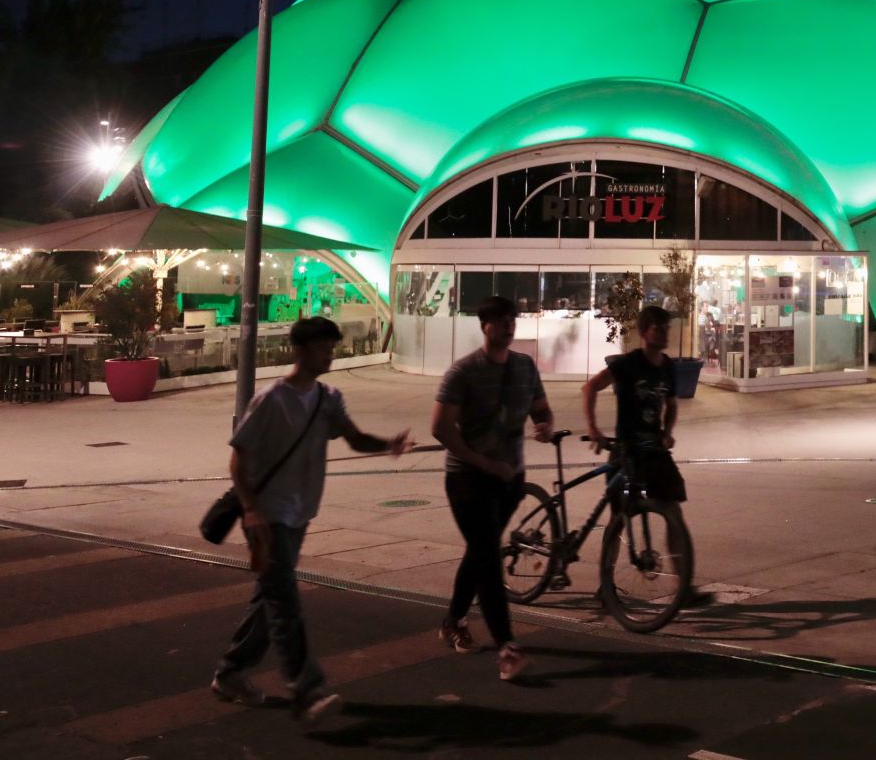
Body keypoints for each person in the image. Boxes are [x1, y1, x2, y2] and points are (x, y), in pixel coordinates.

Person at [212, 317, 411, 722]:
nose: (331, 354)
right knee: (285, 603)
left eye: (332, 347)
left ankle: (231, 673)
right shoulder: (271, 400)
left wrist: (388, 443)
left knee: (270, 599)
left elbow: (353, 438)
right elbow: (239, 461)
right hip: (268, 517)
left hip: (300, 513)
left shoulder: (327, 398)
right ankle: (306, 688)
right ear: (300, 350)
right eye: (325, 347)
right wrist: (251, 511)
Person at [432, 294, 554, 681]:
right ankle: (507, 646)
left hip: (509, 481)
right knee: (486, 556)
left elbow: (541, 408)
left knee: (480, 552)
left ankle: (453, 620)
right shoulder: (463, 372)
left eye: (512, 319)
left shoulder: (524, 367)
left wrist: (545, 425)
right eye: (501, 320)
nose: (509, 325)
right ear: (484, 326)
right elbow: (440, 427)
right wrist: (483, 462)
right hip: (468, 479)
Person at [581, 305, 705, 603]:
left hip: (655, 452)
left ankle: (684, 587)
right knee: (618, 519)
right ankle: (605, 585)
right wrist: (594, 430)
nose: (664, 333)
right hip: (626, 451)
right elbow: (590, 388)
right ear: (644, 332)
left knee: (673, 512)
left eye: (666, 328)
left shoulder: (667, 366)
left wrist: (667, 431)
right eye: (658, 328)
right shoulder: (627, 364)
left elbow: (672, 403)